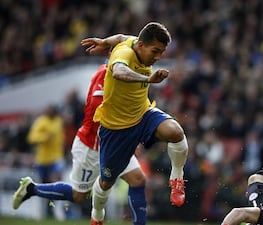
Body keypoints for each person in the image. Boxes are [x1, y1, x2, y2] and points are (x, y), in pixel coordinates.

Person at [13, 63, 148, 224]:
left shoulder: (129, 75)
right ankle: (32, 189)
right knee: (79, 196)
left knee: (138, 179)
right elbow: (99, 109)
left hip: (114, 147)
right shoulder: (105, 74)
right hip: (91, 149)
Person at [81, 22, 189, 225]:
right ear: (141, 46)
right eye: (155, 51)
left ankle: (177, 180)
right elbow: (119, 72)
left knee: (175, 132)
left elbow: (122, 36)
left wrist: (104, 41)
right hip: (116, 128)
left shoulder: (133, 42)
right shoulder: (123, 55)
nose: (157, 57)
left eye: (162, 52)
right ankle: (97, 215)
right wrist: (147, 80)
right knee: (106, 182)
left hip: (142, 115)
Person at [24, 104, 66, 219]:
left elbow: (60, 137)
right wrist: (44, 137)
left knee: (57, 180)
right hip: (42, 159)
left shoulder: (58, 121)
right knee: (41, 185)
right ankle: (41, 212)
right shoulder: (41, 121)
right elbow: (31, 137)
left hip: (56, 157)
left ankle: (58, 211)